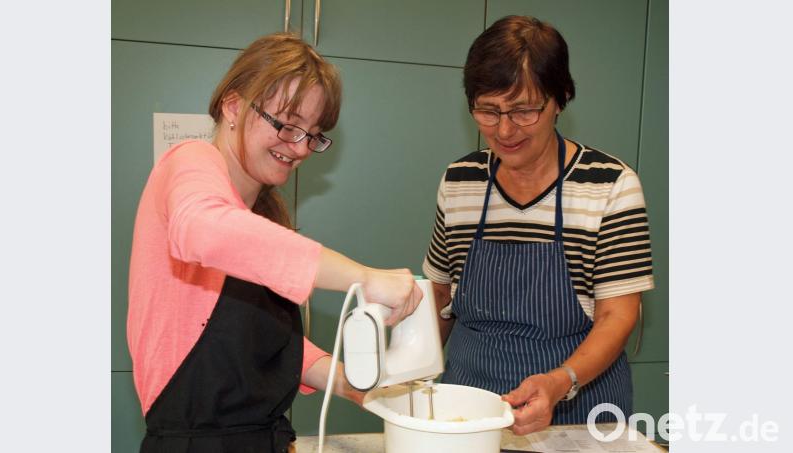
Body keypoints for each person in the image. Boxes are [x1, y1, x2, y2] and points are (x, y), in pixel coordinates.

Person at [127, 32, 422, 453]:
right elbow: (203, 229)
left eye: (313, 134)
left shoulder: (262, 217)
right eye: (287, 126)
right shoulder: (190, 162)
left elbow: (262, 345)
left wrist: (353, 385)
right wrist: (363, 277)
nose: (300, 148)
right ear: (233, 106)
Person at [421, 16, 655, 435]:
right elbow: (440, 294)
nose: (505, 130)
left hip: (578, 411)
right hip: (469, 410)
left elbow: (618, 315)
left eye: (524, 110)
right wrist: (412, 377)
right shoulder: (461, 182)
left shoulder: (610, 185)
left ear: (561, 97)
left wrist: (559, 381)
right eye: (488, 111)